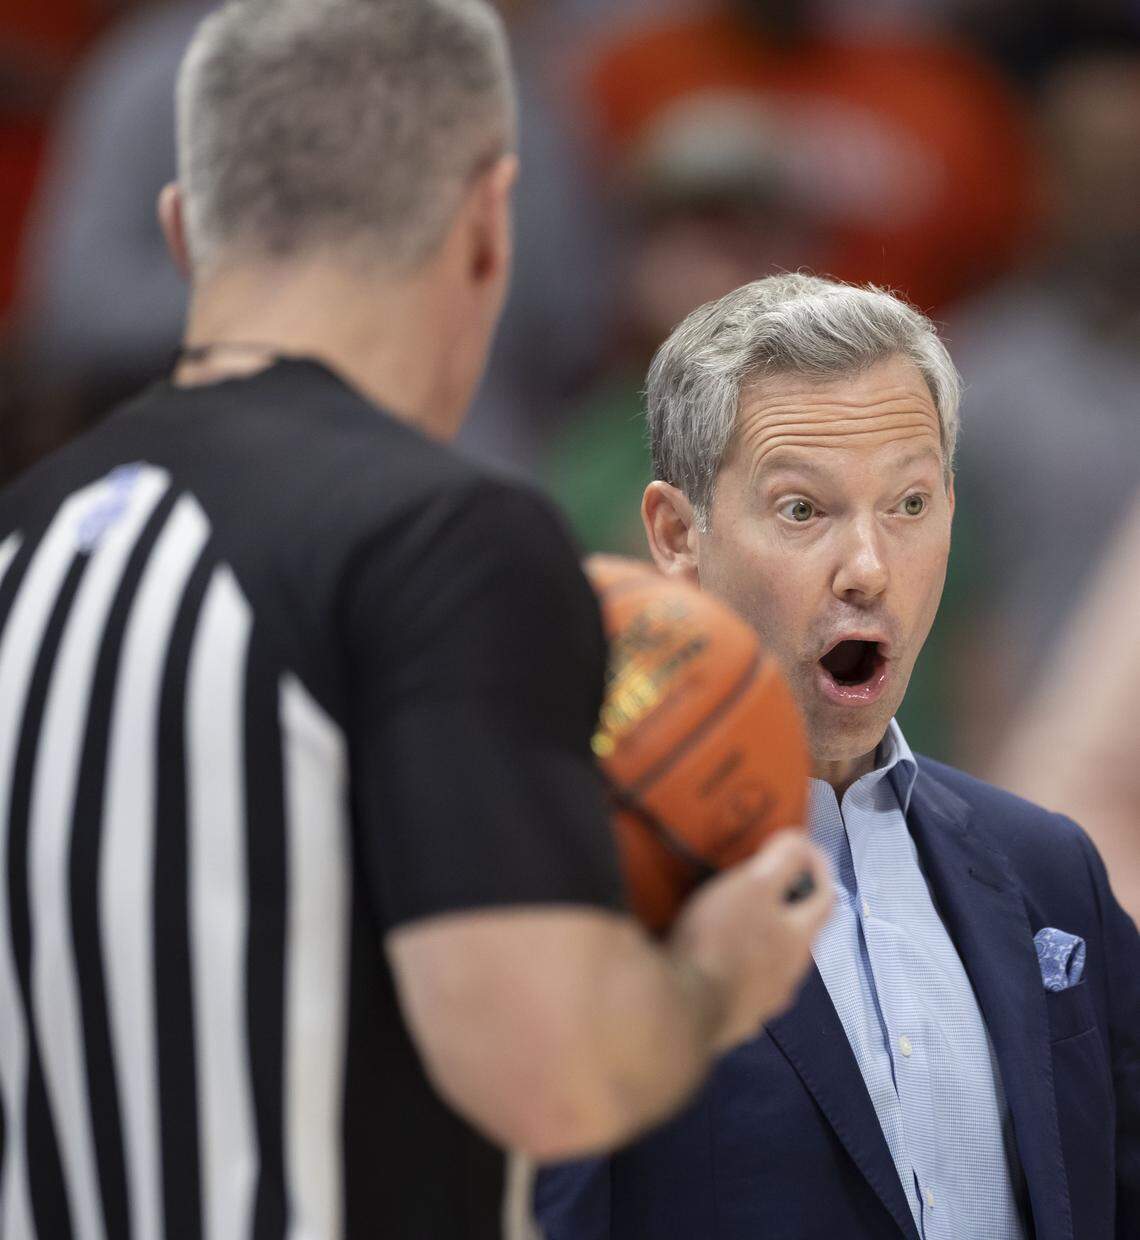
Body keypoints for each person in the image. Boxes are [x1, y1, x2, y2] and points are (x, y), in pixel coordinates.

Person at [0, 5, 834, 1239]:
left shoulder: (22, 536)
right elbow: (548, 1072)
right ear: (489, 225)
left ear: (182, 232)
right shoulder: (447, 538)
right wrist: (718, 974)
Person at [536, 274, 1140, 1240]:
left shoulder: (1051, 873)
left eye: (910, 503)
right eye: (802, 511)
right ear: (678, 537)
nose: (869, 568)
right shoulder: (564, 893)